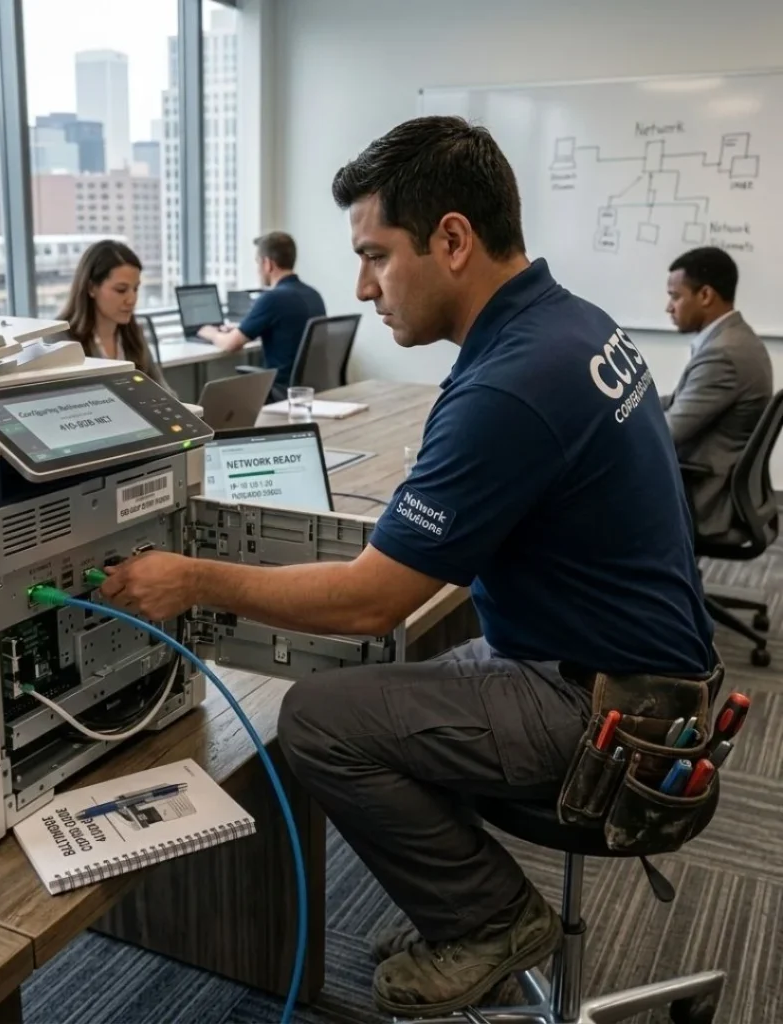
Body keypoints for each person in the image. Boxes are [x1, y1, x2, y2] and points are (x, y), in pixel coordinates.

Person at [96, 117, 716, 1016]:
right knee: (390, 685)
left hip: (603, 709)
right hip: (647, 675)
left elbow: (370, 603)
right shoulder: (570, 322)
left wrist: (190, 579)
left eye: (376, 255)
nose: (361, 286)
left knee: (318, 718)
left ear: (453, 240)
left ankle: (491, 920)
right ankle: (458, 903)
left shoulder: (509, 382)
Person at [663, 247, 772, 538]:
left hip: (702, 495)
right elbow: (680, 401)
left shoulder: (723, 355)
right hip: (713, 482)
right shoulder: (735, 339)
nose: (669, 307)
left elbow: (665, 433)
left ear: (705, 295)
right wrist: (631, 401)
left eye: (675, 296)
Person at [197, 231, 326, 397]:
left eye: (258, 262)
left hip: (283, 391)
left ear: (267, 264)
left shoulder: (273, 298)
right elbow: (290, 332)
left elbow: (230, 344)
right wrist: (242, 328)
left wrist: (211, 333)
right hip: (311, 390)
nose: (257, 269)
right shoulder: (313, 294)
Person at [57, 239, 168, 388]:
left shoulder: (134, 335)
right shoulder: (59, 341)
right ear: (91, 288)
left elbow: (162, 391)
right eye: (121, 290)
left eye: (135, 289)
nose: (132, 300)